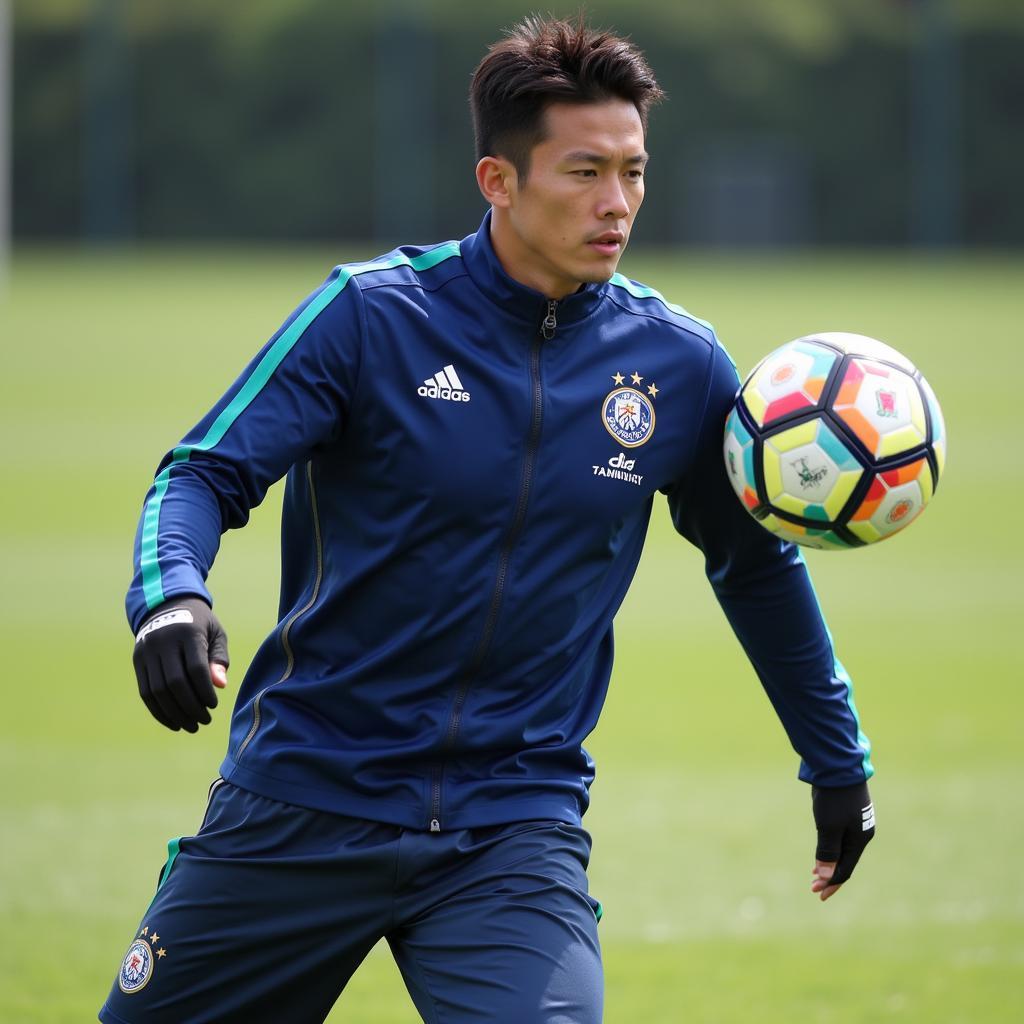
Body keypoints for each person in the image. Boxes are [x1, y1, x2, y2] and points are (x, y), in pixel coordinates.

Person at [100, 15, 874, 1024]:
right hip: (301, 797)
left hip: (511, 826)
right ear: (497, 181)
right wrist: (171, 597)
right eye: (584, 171)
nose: (617, 204)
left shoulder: (679, 364)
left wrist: (836, 762)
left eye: (634, 172)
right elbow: (200, 475)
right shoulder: (368, 316)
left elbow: (755, 566)